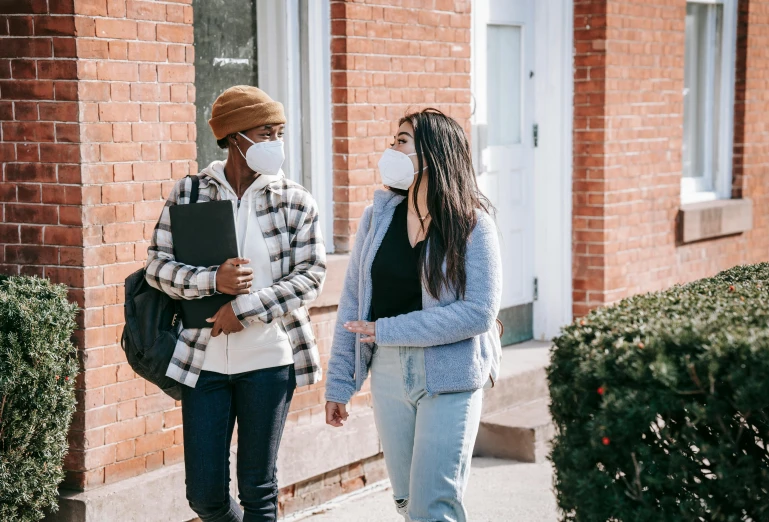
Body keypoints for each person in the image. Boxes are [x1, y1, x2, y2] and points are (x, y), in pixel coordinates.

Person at [145, 85, 326, 522]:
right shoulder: (189, 193)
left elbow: (311, 277)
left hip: (269, 359)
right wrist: (213, 280)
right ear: (235, 136)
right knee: (204, 495)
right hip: (202, 361)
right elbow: (156, 267)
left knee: (258, 490)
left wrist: (243, 308)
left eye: (279, 132)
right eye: (267, 132)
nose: (276, 143)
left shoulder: (295, 200)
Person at [324, 108, 503, 522]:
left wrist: (387, 330)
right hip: (387, 375)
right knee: (407, 503)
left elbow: (478, 313)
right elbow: (352, 304)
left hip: (451, 376)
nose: (391, 148)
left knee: (433, 509)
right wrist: (339, 383)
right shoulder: (376, 219)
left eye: (402, 140)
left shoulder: (473, 225)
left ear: (433, 155)